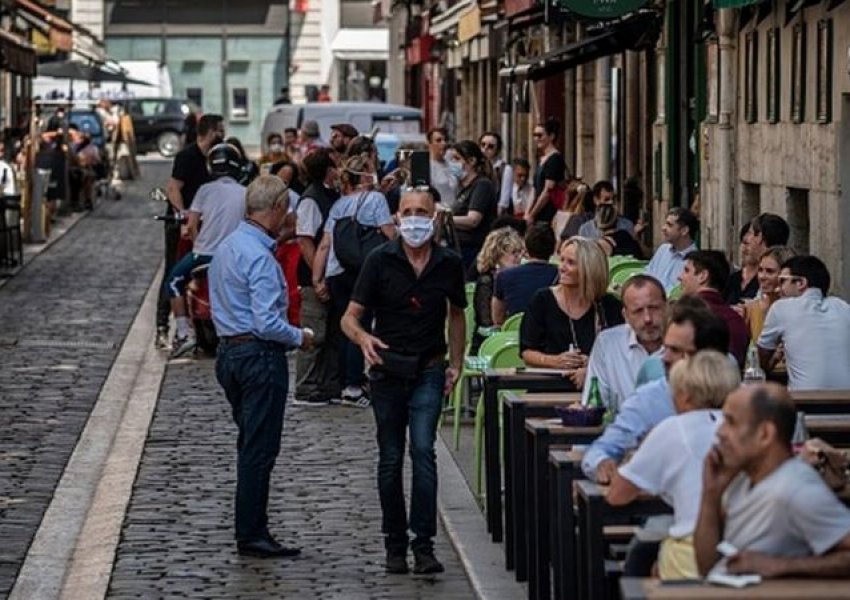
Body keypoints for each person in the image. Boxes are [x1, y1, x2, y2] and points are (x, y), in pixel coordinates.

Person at [341, 186, 466, 575]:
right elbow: (350, 317)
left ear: (434, 217)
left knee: (424, 452)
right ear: (397, 216)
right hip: (387, 372)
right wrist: (363, 338)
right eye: (408, 211)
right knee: (391, 458)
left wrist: (456, 363)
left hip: (429, 368)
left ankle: (424, 544)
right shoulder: (380, 260)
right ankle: (395, 544)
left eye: (422, 212)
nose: (414, 218)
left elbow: (457, 314)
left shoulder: (447, 262)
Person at [209, 175, 314, 558]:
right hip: (258, 357)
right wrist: (301, 336)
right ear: (276, 209)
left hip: (230, 354)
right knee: (259, 449)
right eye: (286, 208)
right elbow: (267, 322)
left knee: (249, 444)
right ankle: (251, 531)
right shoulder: (259, 257)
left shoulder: (228, 246)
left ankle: (251, 526)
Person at [607, 350, 741, 580]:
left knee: (642, 554)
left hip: (694, 552)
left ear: (685, 396)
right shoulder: (746, 428)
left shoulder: (672, 429)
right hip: (750, 544)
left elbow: (617, 495)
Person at [694, 383, 850, 578]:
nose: (720, 432)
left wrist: (781, 566)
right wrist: (711, 494)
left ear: (765, 434)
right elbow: (707, 568)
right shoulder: (741, 479)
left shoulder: (797, 490)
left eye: (731, 422)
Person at [581, 296, 730, 482]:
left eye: (677, 351)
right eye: (665, 348)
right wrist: (602, 463)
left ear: (709, 359)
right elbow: (602, 449)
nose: (665, 358)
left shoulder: (740, 402)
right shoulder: (650, 398)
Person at [312, 155, 396, 407]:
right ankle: (353, 384)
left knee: (344, 327)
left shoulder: (339, 205)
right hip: (364, 271)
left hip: (338, 272)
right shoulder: (377, 200)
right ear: (366, 175)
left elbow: (326, 244)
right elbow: (389, 233)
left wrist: (318, 278)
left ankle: (345, 382)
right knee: (361, 325)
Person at [166, 143, 247, 357]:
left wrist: (197, 243)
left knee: (173, 282)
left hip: (203, 254)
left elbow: (191, 226)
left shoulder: (204, 190)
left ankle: (184, 332)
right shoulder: (245, 193)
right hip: (234, 256)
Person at [157, 114, 225, 349]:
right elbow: (173, 188)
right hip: (180, 222)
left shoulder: (216, 158)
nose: (223, 134)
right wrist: (183, 214)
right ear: (211, 132)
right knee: (173, 271)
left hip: (204, 225)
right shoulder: (187, 156)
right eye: (220, 130)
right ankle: (162, 327)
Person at [520, 237, 624, 390]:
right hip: (549, 388)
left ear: (589, 268)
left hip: (599, 389)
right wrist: (555, 361)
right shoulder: (542, 300)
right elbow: (527, 352)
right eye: (561, 260)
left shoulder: (609, 305)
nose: (562, 267)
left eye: (571, 262)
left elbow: (621, 352)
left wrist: (592, 367)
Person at [757, 255, 850, 390]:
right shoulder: (844, 307)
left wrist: (772, 362)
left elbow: (762, 358)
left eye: (782, 281)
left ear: (801, 283)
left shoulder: (782, 307)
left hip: (805, 403)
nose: (778, 289)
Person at [294, 148, 342, 406]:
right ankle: (306, 386)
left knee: (331, 332)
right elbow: (305, 241)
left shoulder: (330, 195)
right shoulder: (311, 200)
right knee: (314, 332)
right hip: (314, 278)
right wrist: (318, 276)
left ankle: (326, 384)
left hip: (329, 276)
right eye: (335, 166)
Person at [580, 275, 666, 409]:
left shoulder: (688, 343)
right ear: (625, 316)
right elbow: (595, 403)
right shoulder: (607, 344)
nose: (647, 318)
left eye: (654, 308)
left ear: (667, 307)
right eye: (638, 311)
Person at [678, 250, 749, 367]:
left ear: (703, 276)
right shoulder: (735, 319)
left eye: (686, 271)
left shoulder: (683, 314)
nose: (680, 277)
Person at [492, 223, 558, 325]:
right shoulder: (563, 276)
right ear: (554, 248)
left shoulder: (504, 276)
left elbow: (497, 318)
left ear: (526, 247)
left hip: (514, 336)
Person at [471, 227, 524, 351]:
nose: (518, 257)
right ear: (497, 254)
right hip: (488, 344)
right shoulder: (486, 281)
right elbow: (486, 324)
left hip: (511, 340)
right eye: (513, 253)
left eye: (519, 253)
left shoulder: (516, 279)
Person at [449, 140, 498, 271]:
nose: (453, 163)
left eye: (457, 159)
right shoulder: (462, 188)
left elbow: (473, 219)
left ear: (471, 161)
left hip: (473, 249)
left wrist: (446, 218)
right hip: (460, 248)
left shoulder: (482, 185)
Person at [736, 245, 797, 342]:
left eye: (770, 271)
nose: (762, 277)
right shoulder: (751, 309)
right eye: (760, 270)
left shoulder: (797, 310)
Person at [645, 207, 699, 292]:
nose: (663, 228)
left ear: (684, 230)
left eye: (669, 225)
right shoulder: (663, 250)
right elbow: (648, 275)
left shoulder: (695, 261)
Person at [526, 118, 568, 225]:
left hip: (549, 214)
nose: (536, 139)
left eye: (540, 135)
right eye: (534, 135)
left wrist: (532, 214)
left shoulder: (554, 159)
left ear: (551, 136)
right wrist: (528, 212)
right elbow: (535, 189)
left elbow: (547, 191)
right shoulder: (541, 159)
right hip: (538, 213)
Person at [724, 223, 760, 304]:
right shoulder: (732, 279)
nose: (745, 249)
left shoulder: (764, 280)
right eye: (744, 243)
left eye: (749, 244)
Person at [479, 131, 513, 212]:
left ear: (497, 150)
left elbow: (504, 202)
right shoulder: (477, 166)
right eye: (483, 144)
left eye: (490, 146)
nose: (485, 148)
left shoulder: (505, 169)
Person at [427, 128, 457, 210]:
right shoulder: (427, 167)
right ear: (430, 144)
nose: (443, 143)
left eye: (445, 140)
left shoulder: (453, 164)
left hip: (457, 213)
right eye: (438, 140)